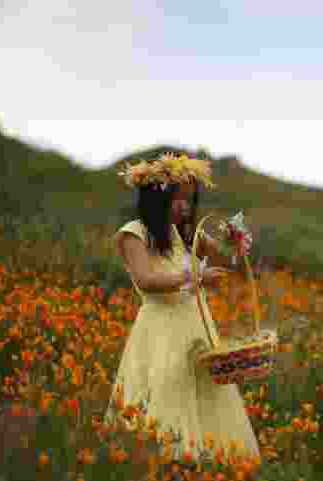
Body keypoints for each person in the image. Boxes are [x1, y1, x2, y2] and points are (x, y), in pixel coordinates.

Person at [103, 151, 260, 462]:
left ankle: (205, 465)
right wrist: (195, 276)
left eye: (189, 200)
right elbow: (146, 281)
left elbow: (230, 262)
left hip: (195, 327)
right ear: (156, 198)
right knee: (167, 391)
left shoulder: (186, 235)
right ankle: (167, 463)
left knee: (203, 394)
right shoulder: (133, 233)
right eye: (179, 199)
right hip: (161, 329)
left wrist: (234, 243)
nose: (185, 207)